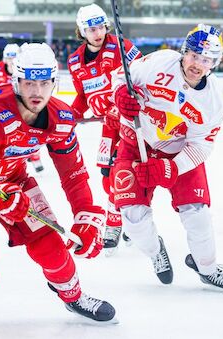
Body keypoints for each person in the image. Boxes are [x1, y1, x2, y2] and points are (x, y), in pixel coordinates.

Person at [0, 43, 115, 322]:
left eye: (44, 83)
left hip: (12, 177)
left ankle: (73, 296)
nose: (36, 92)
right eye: (29, 82)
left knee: (51, 247)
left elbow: (73, 174)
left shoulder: (62, 119)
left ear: (54, 82)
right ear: (16, 80)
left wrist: (86, 213)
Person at [110, 24, 223, 291]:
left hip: (179, 151)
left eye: (205, 59)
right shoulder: (158, 62)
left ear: (214, 63)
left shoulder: (214, 100)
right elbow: (119, 77)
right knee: (133, 219)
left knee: (198, 215)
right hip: (135, 143)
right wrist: (120, 95)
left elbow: (201, 146)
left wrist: (171, 168)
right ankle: (154, 250)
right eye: (194, 55)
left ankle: (207, 268)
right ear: (184, 52)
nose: (197, 64)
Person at [68, 3, 142, 255]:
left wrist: (124, 106)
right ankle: (133, 221)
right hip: (108, 127)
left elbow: (143, 81)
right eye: (90, 29)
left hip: (131, 122)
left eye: (100, 27)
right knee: (106, 175)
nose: (97, 33)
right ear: (82, 31)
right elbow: (82, 95)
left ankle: (115, 223)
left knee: (124, 172)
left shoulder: (124, 47)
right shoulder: (74, 61)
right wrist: (71, 115)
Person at [0, 43, 45, 173]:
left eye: (14, 58)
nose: (12, 61)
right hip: (3, 109)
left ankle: (35, 155)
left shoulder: (25, 71)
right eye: (9, 58)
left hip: (22, 108)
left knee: (29, 132)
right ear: (4, 59)